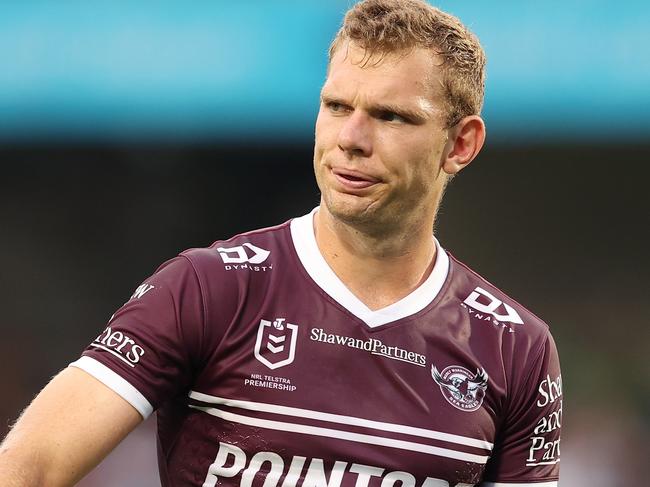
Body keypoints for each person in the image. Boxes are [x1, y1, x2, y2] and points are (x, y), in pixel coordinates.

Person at [0, 1, 563, 486]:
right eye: (338, 106)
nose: (351, 139)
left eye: (390, 117)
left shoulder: (516, 348)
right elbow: (27, 468)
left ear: (460, 144)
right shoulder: (208, 287)